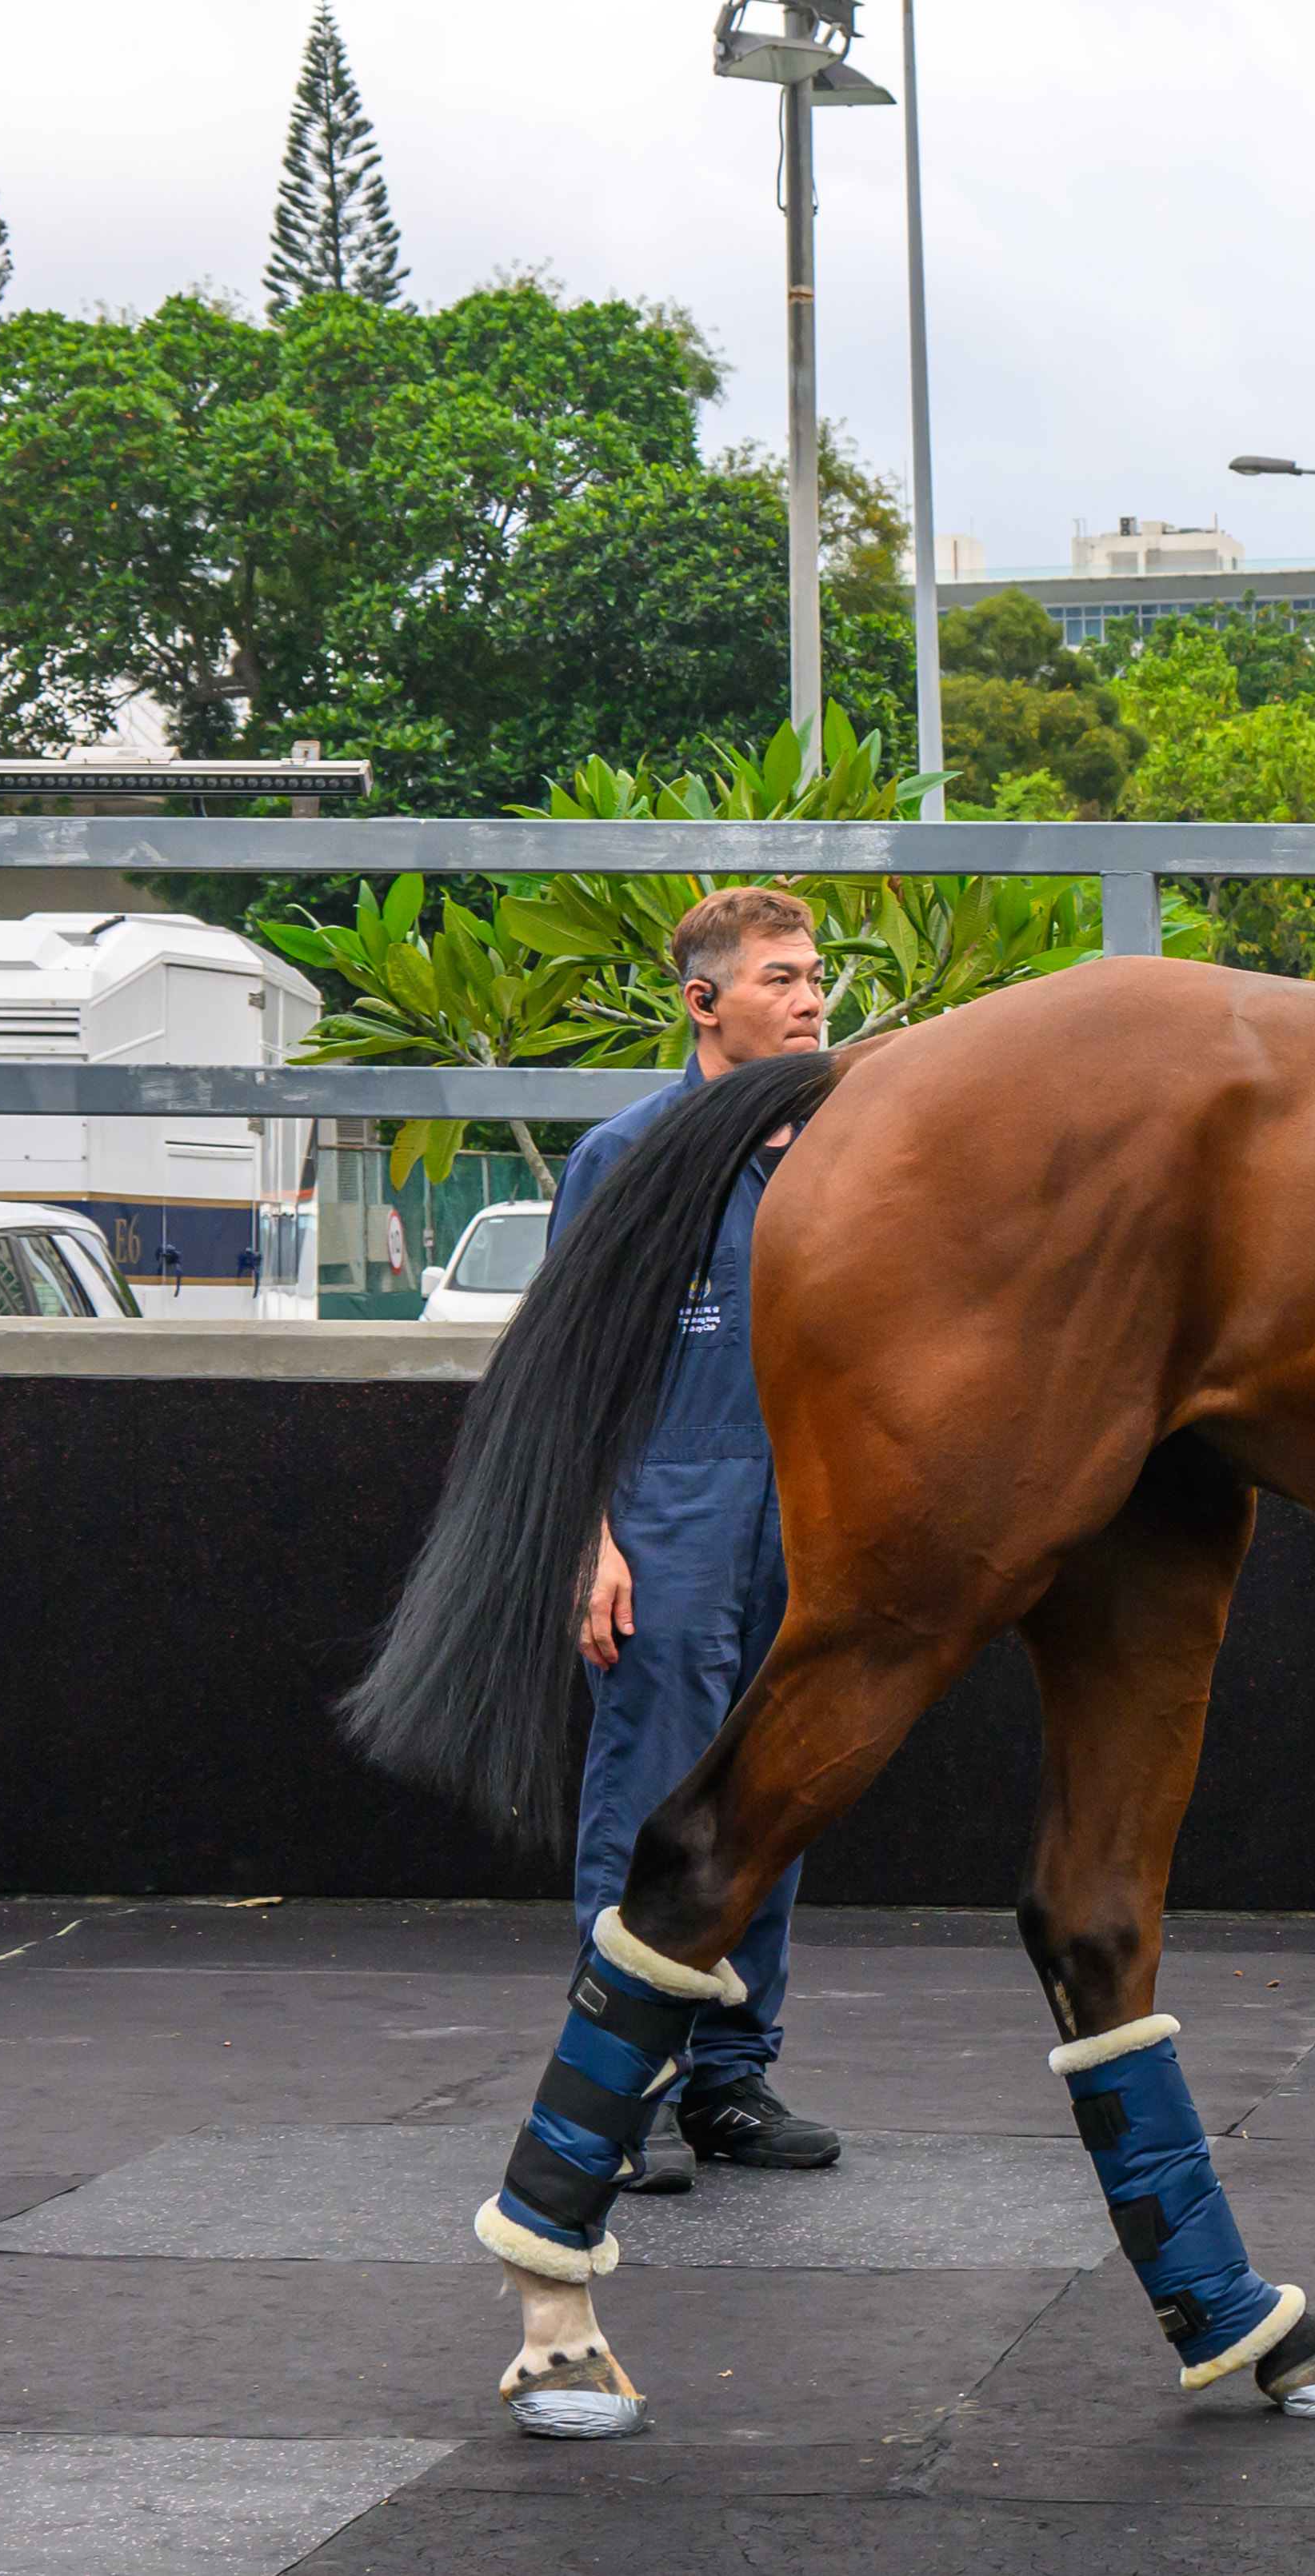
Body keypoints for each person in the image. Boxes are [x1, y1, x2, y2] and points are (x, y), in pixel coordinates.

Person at [555, 885, 845, 2189]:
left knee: (769, 1799)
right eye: (779, 977)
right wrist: (589, 1542)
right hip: (666, 1512)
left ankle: (730, 2080)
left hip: (805, 1513)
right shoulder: (627, 1158)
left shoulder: (841, 1157)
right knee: (654, 1805)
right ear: (703, 1001)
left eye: (814, 975)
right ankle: (617, 2096)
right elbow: (565, 1377)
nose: (809, 997)